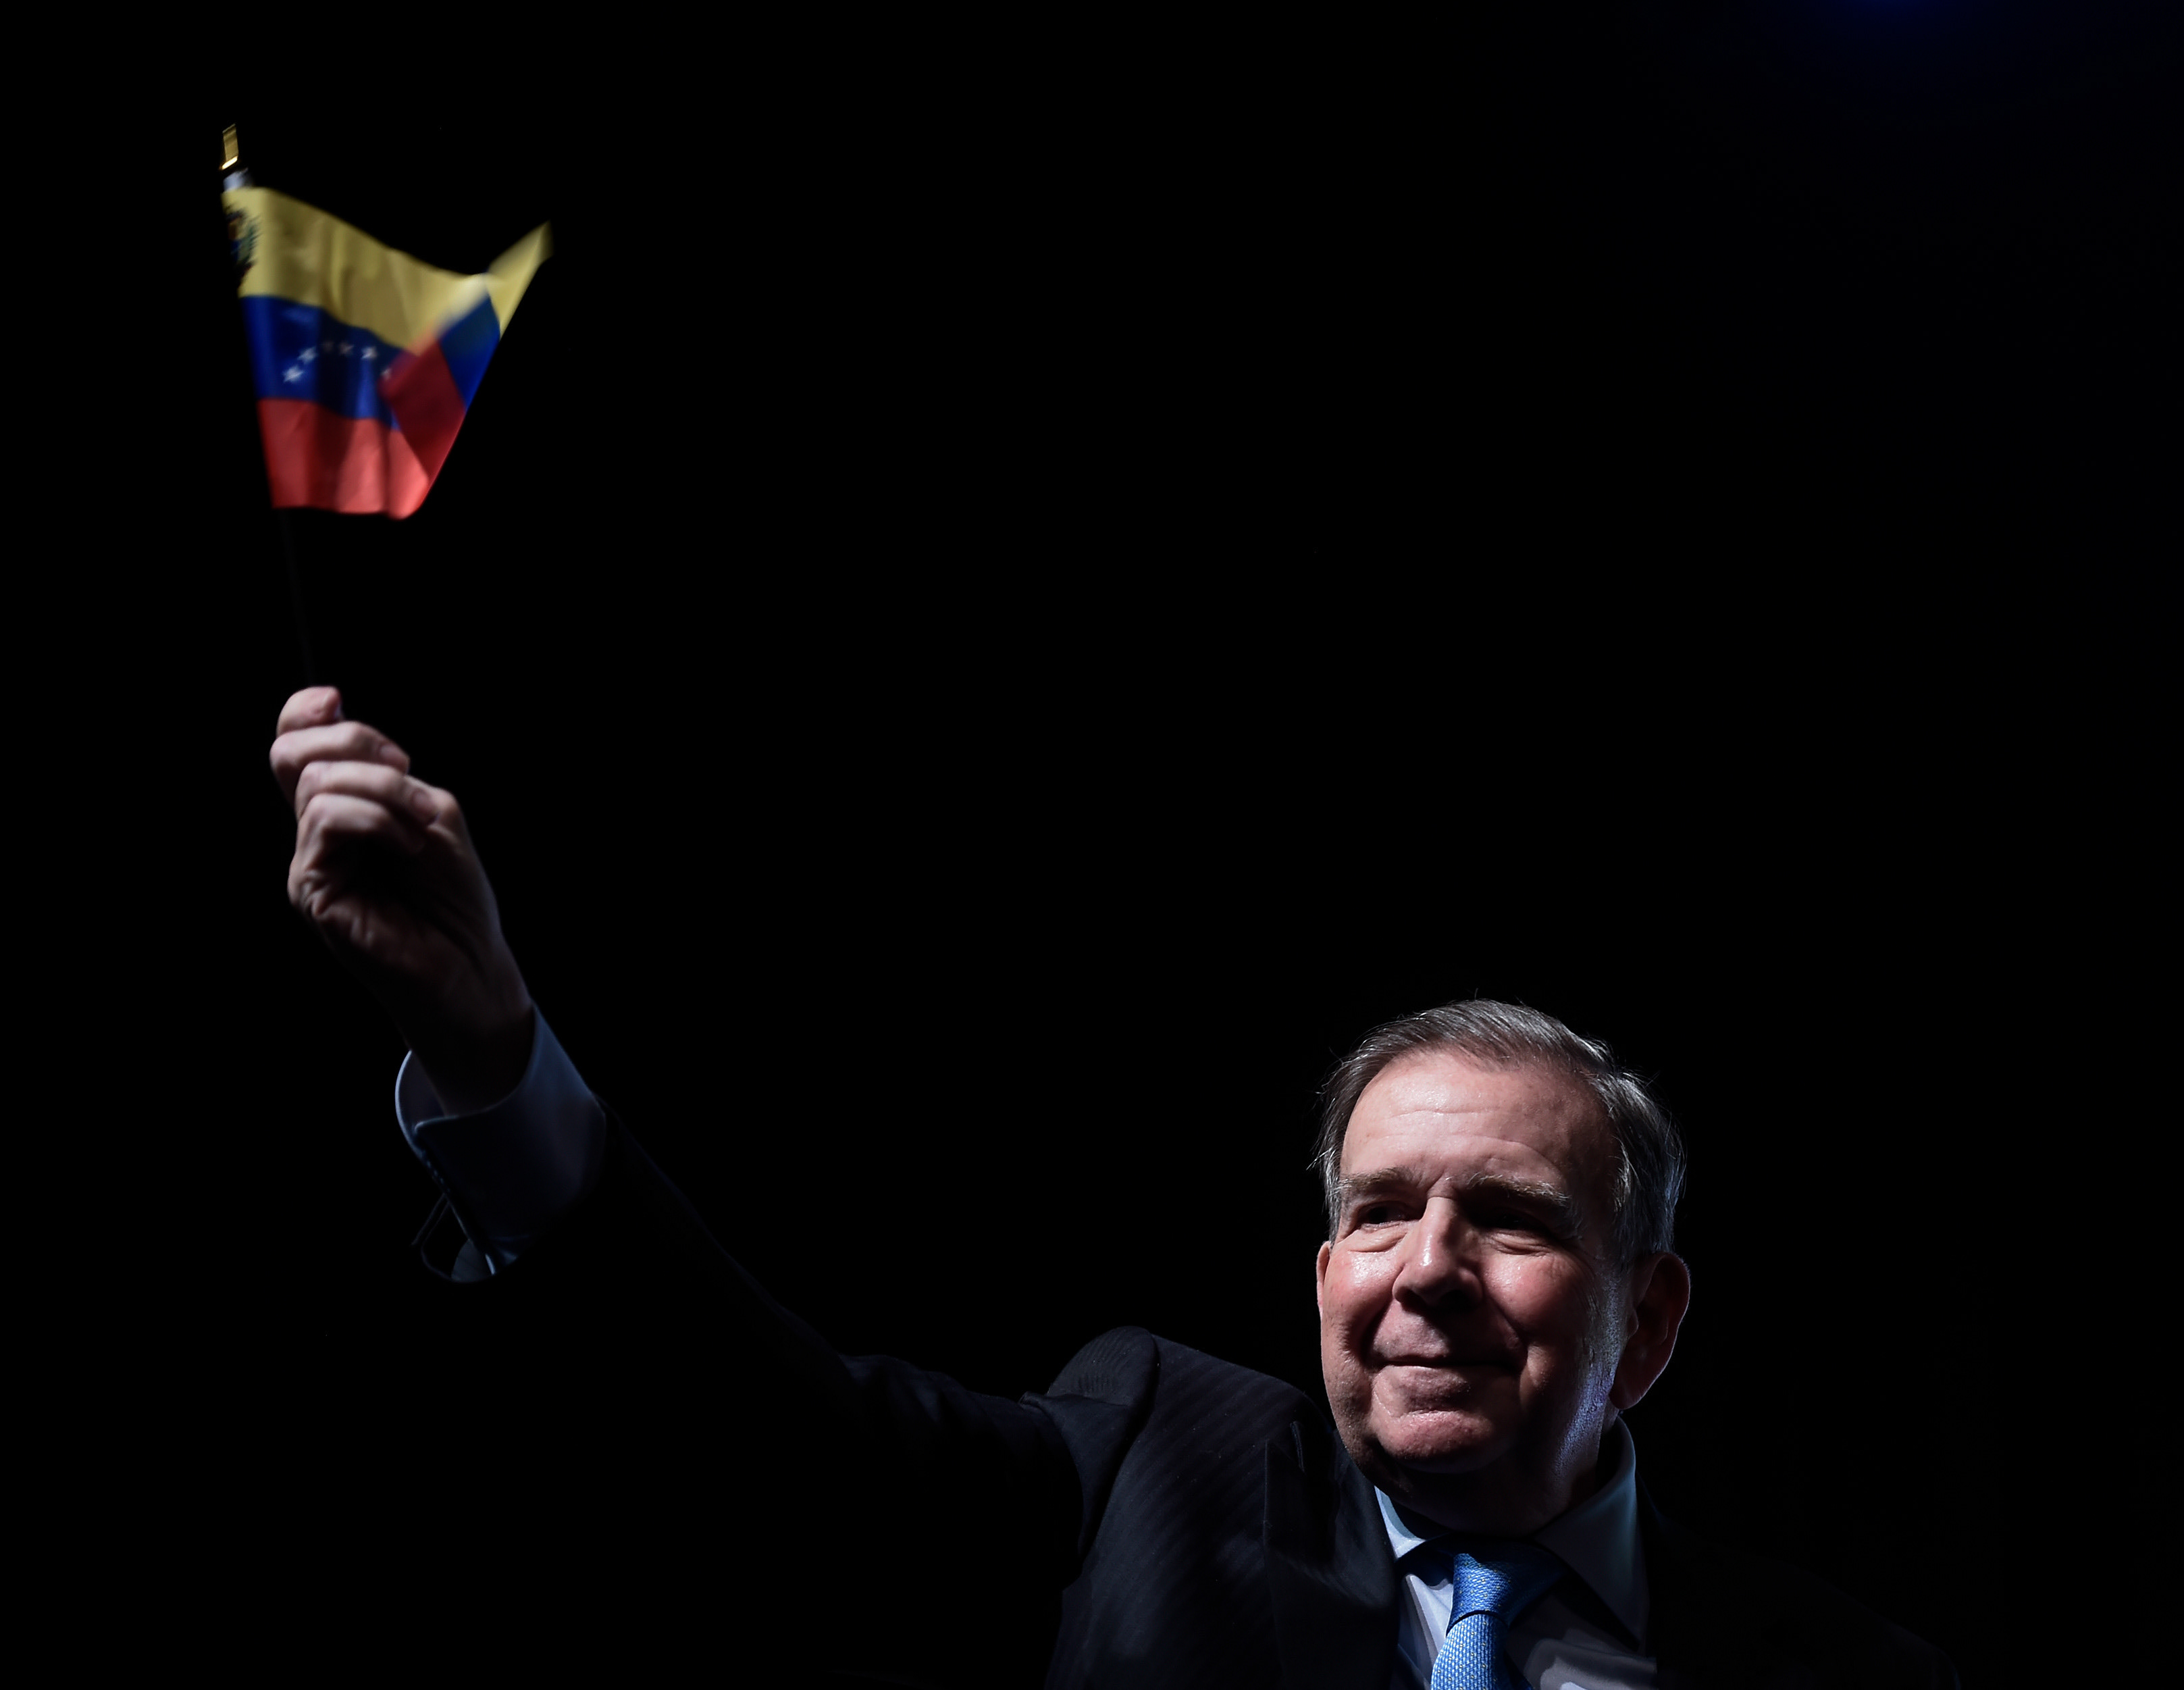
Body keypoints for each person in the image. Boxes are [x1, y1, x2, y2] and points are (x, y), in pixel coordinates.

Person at [271, 684, 1958, 1689]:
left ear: (1647, 1320)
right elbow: (772, 1443)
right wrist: (496, 1056)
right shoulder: (1156, 1456)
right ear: (1324, 1275)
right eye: (1378, 1212)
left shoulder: (1845, 1670)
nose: (1425, 1267)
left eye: (1508, 1219)